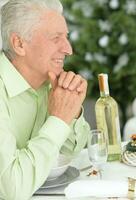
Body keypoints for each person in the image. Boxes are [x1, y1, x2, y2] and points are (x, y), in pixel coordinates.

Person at [0, 0, 90, 199]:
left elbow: (70, 152)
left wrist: (70, 110)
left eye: (66, 37)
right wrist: (57, 120)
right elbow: (12, 189)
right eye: (56, 38)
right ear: (19, 44)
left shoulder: (49, 82)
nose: (68, 49)